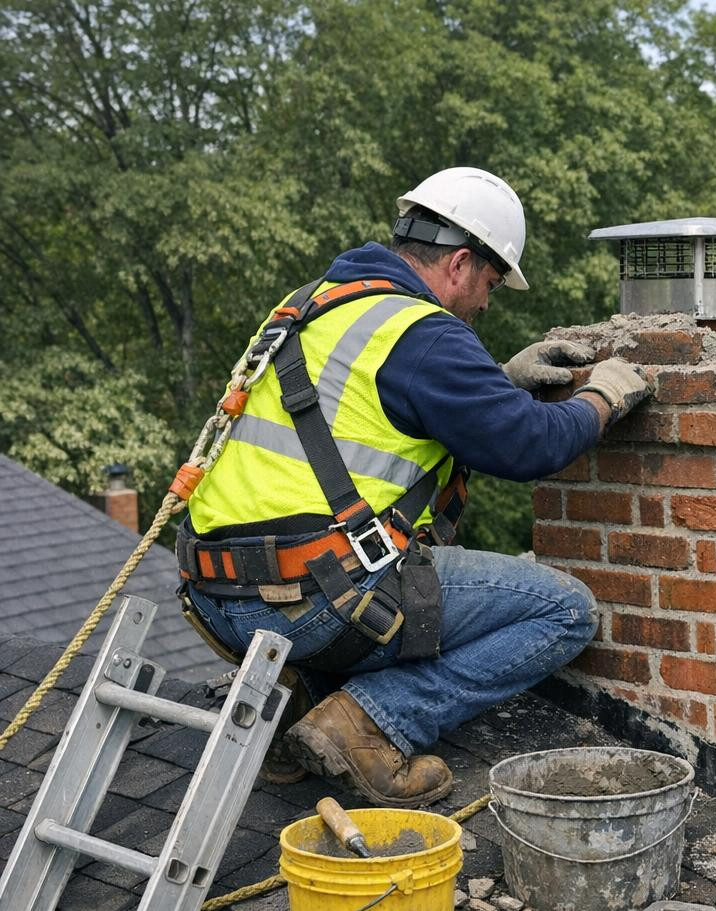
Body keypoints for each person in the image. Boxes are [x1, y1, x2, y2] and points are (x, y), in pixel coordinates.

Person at [178, 167, 650, 808]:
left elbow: (370, 414)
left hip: (214, 596)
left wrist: (500, 385)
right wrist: (602, 399)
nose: (486, 303)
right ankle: (367, 724)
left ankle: (296, 707)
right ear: (459, 263)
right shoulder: (424, 334)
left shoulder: (319, 302)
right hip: (313, 603)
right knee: (563, 611)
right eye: (489, 282)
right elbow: (529, 446)